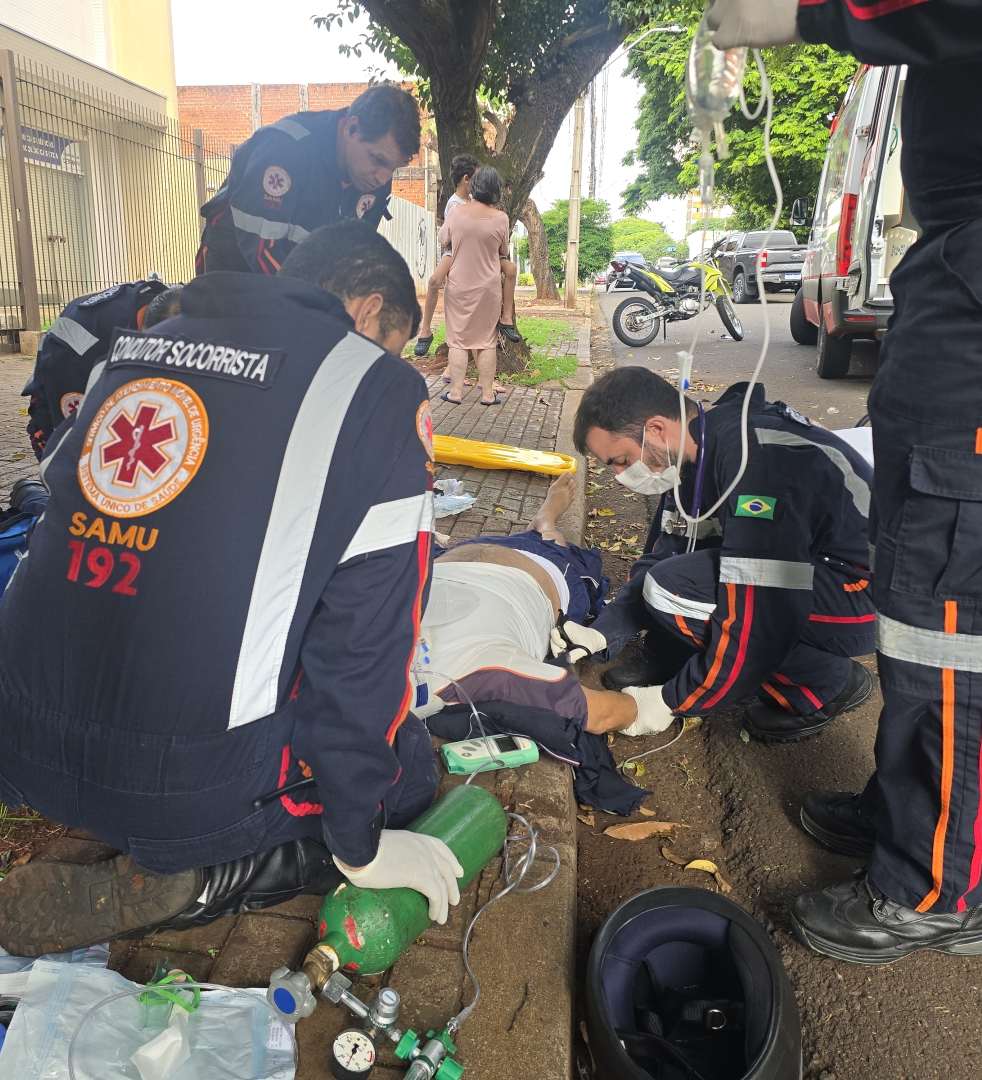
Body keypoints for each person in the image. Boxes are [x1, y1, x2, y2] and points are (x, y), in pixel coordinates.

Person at [0, 219, 464, 958]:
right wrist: (361, 843)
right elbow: (364, 646)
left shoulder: (129, 353)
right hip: (179, 787)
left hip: (15, 737)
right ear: (367, 312)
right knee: (412, 763)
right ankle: (215, 878)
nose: (386, 356)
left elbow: (67, 515)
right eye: (389, 339)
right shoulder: (377, 387)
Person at [705, 0, 982, 964]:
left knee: (951, 620)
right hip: (956, 266)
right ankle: (906, 811)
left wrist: (815, 15)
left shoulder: (748, 465)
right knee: (925, 601)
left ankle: (935, 886)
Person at [553, 367, 877, 745]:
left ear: (656, 429)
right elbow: (665, 552)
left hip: (869, 591)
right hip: (815, 568)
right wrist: (603, 631)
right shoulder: (695, 455)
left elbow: (758, 617)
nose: (622, 475)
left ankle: (827, 684)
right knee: (670, 578)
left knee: (677, 592)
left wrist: (669, 701)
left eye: (621, 460)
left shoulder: (756, 467)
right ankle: (687, 654)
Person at [420, 473, 637, 735]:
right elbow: (602, 714)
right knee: (555, 542)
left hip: (456, 556)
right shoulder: (482, 675)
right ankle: (546, 524)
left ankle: (544, 524)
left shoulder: (368, 623)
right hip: (547, 569)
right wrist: (649, 705)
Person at [195, 83, 420, 276]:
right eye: (377, 160)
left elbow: (354, 252)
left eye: (394, 168)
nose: (383, 178)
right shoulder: (284, 151)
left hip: (300, 283)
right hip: (232, 274)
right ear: (352, 129)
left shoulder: (375, 180)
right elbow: (263, 253)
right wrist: (318, 304)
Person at [24, 281, 182, 459]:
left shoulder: (176, 303)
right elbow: (78, 434)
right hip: (62, 400)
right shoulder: (77, 354)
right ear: (145, 335)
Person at [413, 154, 519, 359]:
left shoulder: (475, 200)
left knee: (512, 269)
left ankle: (506, 319)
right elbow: (445, 239)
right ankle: (425, 330)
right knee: (435, 280)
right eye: (476, 177)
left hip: (481, 250)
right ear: (466, 179)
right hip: (455, 250)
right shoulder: (454, 205)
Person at [435, 166, 510, 406]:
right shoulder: (501, 218)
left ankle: (455, 392)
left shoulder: (456, 213)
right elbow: (504, 252)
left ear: (475, 186)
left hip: (458, 285)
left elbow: (443, 239)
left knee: (457, 339)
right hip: (488, 288)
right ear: (496, 190)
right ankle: (488, 394)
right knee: (487, 340)